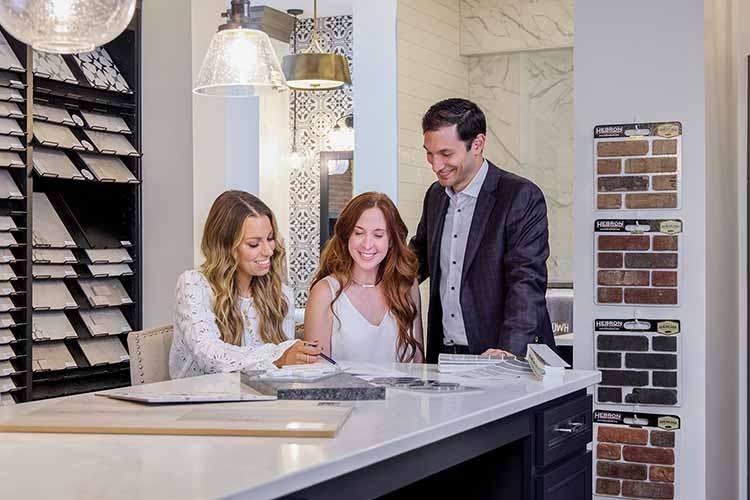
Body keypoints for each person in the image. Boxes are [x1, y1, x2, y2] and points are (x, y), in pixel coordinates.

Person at [410, 98, 555, 363]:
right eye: (429, 153)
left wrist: (509, 349)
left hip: (501, 353)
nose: (435, 165)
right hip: (445, 354)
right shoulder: (436, 196)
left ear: (477, 144)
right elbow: (417, 258)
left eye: (446, 154)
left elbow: (526, 281)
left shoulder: (519, 196)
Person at [169, 190, 321, 378]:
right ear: (225, 246)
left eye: (270, 238)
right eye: (253, 244)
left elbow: (282, 373)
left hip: (257, 402)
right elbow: (208, 354)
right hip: (199, 400)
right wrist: (277, 357)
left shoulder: (279, 293)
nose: (268, 251)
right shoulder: (194, 284)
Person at [304, 192, 423, 363]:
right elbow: (316, 374)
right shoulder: (325, 292)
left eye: (378, 235)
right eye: (358, 233)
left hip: (401, 390)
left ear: (391, 241)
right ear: (347, 236)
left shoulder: (407, 287)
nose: (367, 244)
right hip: (342, 390)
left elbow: (419, 365)